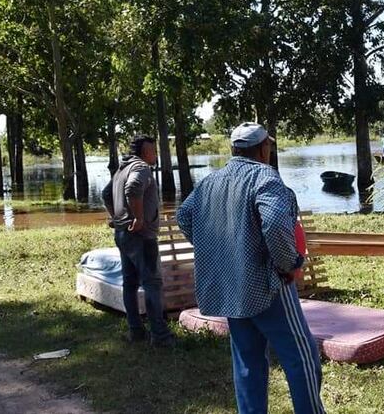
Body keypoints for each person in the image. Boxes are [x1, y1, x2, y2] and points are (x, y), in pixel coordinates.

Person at [176, 122, 324, 414]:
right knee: (301, 357)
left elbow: (185, 216)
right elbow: (276, 225)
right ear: (263, 148)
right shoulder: (265, 178)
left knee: (247, 361)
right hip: (268, 285)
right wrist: (290, 264)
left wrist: (221, 251)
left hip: (232, 287)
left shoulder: (210, 181)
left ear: (234, 149)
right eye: (268, 145)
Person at [102, 135, 175, 346]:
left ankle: (136, 331)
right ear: (145, 152)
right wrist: (139, 217)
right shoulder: (142, 168)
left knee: (130, 283)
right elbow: (133, 188)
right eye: (153, 151)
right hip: (142, 237)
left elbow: (107, 194)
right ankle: (160, 336)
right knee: (152, 283)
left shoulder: (121, 169)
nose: (156, 155)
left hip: (123, 234)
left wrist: (116, 216)